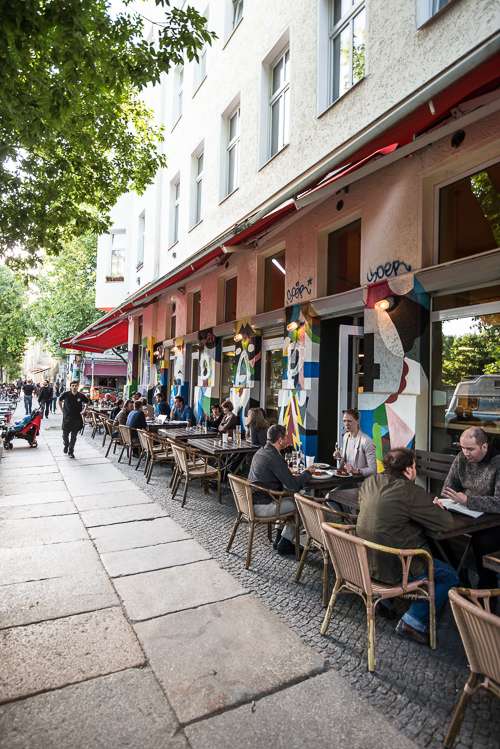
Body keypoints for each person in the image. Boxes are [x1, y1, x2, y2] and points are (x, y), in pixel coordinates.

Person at [356, 447, 458, 645]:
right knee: (450, 576)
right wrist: (437, 508)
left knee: (383, 538)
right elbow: (447, 524)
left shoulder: (369, 482)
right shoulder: (411, 491)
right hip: (396, 567)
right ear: (410, 469)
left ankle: (384, 602)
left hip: (365, 561)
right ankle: (413, 621)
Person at [442, 426, 500, 593]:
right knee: (435, 528)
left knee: (482, 543)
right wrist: (446, 499)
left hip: (494, 520)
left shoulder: (497, 463)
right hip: (469, 514)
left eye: (470, 449)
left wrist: (469, 500)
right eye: (462, 448)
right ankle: (457, 577)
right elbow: (448, 487)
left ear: (484, 447)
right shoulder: (461, 458)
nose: (465, 453)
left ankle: (486, 592)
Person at [247, 424, 316, 555]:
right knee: (301, 505)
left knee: (288, 497)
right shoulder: (275, 457)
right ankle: (285, 543)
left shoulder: (261, 451)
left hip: (253, 500)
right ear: (279, 440)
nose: (287, 441)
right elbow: (293, 483)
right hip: (262, 505)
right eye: (285, 438)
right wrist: (307, 473)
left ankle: (279, 539)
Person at [329, 408, 377, 507]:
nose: (346, 424)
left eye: (349, 421)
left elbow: (373, 469)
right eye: (344, 421)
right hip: (347, 479)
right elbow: (348, 461)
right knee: (330, 498)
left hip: (360, 483)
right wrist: (339, 458)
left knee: (329, 497)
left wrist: (357, 471)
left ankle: (349, 520)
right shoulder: (346, 436)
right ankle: (348, 519)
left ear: (357, 421)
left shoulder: (366, 441)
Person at [58, 380, 89, 458]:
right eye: (73, 386)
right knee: (65, 435)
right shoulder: (66, 394)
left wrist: (84, 410)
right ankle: (66, 445)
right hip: (67, 417)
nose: (74, 387)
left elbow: (87, 401)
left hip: (76, 418)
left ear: (78, 386)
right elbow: (59, 400)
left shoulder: (80, 395)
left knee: (74, 436)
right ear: (70, 386)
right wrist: (62, 410)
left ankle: (71, 451)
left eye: (76, 386)